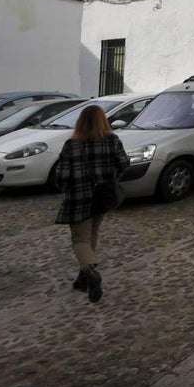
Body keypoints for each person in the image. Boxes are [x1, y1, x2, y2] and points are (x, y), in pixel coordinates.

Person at [54, 104, 130, 303]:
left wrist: (65, 187)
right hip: (102, 194)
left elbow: (62, 176)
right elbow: (124, 163)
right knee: (92, 233)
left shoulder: (71, 145)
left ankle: (90, 274)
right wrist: (113, 177)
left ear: (80, 122)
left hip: (79, 197)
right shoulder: (113, 141)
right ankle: (84, 277)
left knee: (80, 239)